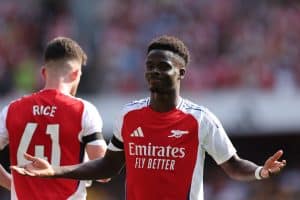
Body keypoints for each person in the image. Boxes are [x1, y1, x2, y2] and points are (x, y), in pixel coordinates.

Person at [12, 35, 286, 200]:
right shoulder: (129, 115)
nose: (153, 71)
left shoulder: (200, 119)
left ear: (180, 73)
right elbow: (107, 166)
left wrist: (261, 171)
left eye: (163, 67)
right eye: (149, 66)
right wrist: (55, 171)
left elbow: (234, 165)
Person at [0, 37, 108, 200]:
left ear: (43, 72)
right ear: (76, 74)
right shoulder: (84, 110)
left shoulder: (11, 109)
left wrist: (11, 184)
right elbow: (104, 172)